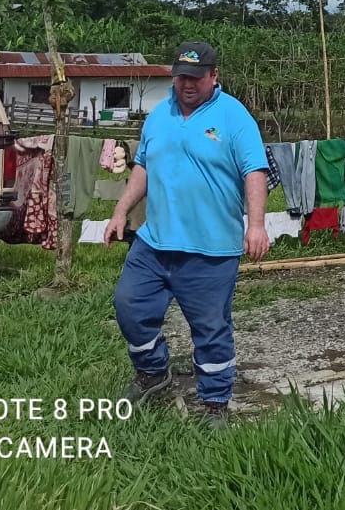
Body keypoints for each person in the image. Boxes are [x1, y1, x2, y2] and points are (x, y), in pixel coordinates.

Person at [106, 42, 269, 426]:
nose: (188, 84)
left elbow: (255, 171)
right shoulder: (158, 116)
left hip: (210, 249)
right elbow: (143, 166)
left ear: (214, 76)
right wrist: (120, 211)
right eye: (181, 77)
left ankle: (215, 404)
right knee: (129, 306)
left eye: (196, 77)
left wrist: (256, 224)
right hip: (154, 242)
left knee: (210, 329)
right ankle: (152, 371)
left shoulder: (234, 116)